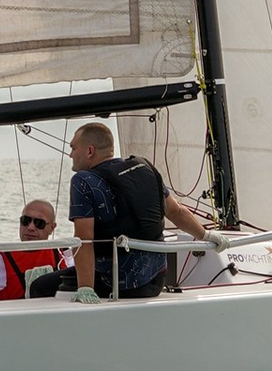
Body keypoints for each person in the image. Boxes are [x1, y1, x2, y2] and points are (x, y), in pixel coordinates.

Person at [67, 121, 207, 300]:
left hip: (116, 284)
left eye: (73, 148)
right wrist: (207, 236)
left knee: (41, 284)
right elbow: (176, 212)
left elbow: (84, 240)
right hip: (156, 281)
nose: (71, 154)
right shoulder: (144, 167)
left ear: (89, 151)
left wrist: (85, 288)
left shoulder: (83, 181)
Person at [0, 198, 66, 305]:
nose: (30, 227)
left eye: (39, 223)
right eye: (25, 220)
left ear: (52, 228)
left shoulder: (65, 257)